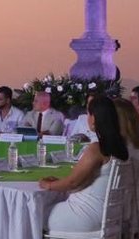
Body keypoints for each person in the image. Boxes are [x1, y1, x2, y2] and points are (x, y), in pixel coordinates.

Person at [39, 96, 129, 231]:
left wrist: (48, 185)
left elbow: (72, 182)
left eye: (88, 114)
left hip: (86, 216)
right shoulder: (122, 147)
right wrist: (60, 181)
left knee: (33, 213)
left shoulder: (96, 149)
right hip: (111, 216)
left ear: (94, 118)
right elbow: (85, 180)